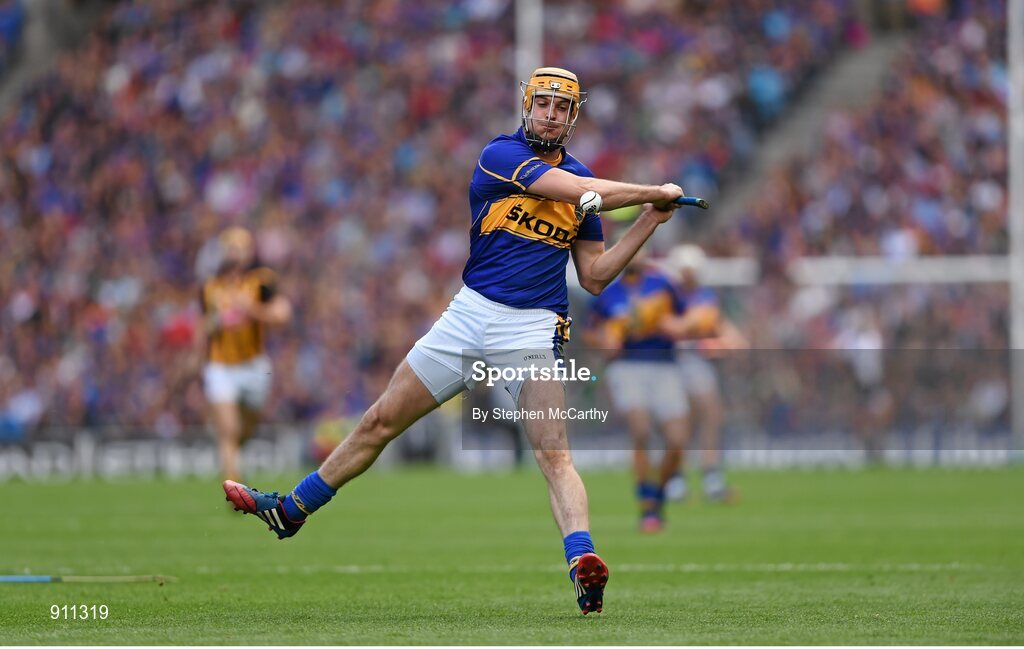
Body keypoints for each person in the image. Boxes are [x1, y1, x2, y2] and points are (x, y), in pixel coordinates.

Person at [221, 67, 685, 615]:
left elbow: (596, 276)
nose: (551, 114)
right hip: (469, 317)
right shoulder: (502, 155)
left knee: (555, 452)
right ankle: (292, 510)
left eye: (562, 108)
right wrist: (651, 190)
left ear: (573, 116)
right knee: (378, 423)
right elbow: (584, 192)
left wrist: (650, 220)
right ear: (527, 105)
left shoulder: (583, 181)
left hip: (532, 328)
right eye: (544, 104)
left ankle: (583, 565)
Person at [589, 257, 689, 533]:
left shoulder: (663, 285)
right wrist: (605, 341)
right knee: (641, 430)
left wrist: (672, 325)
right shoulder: (608, 292)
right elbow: (589, 332)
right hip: (627, 366)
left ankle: (658, 495)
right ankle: (647, 505)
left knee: (677, 440)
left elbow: (684, 319)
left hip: (665, 366)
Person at [199, 226, 292, 481]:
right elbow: (205, 327)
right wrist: (214, 321)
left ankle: (231, 456)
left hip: (254, 365)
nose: (234, 254)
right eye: (230, 248)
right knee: (229, 429)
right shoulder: (211, 287)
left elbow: (282, 315)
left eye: (238, 248)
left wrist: (250, 308)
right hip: (220, 365)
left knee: (246, 428)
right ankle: (233, 482)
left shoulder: (261, 280)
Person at [659, 245, 743, 503]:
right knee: (681, 421)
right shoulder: (668, 296)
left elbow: (719, 330)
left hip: (691, 360)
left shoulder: (699, 296)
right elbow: (683, 327)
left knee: (708, 414)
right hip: (673, 361)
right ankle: (678, 478)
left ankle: (707, 476)